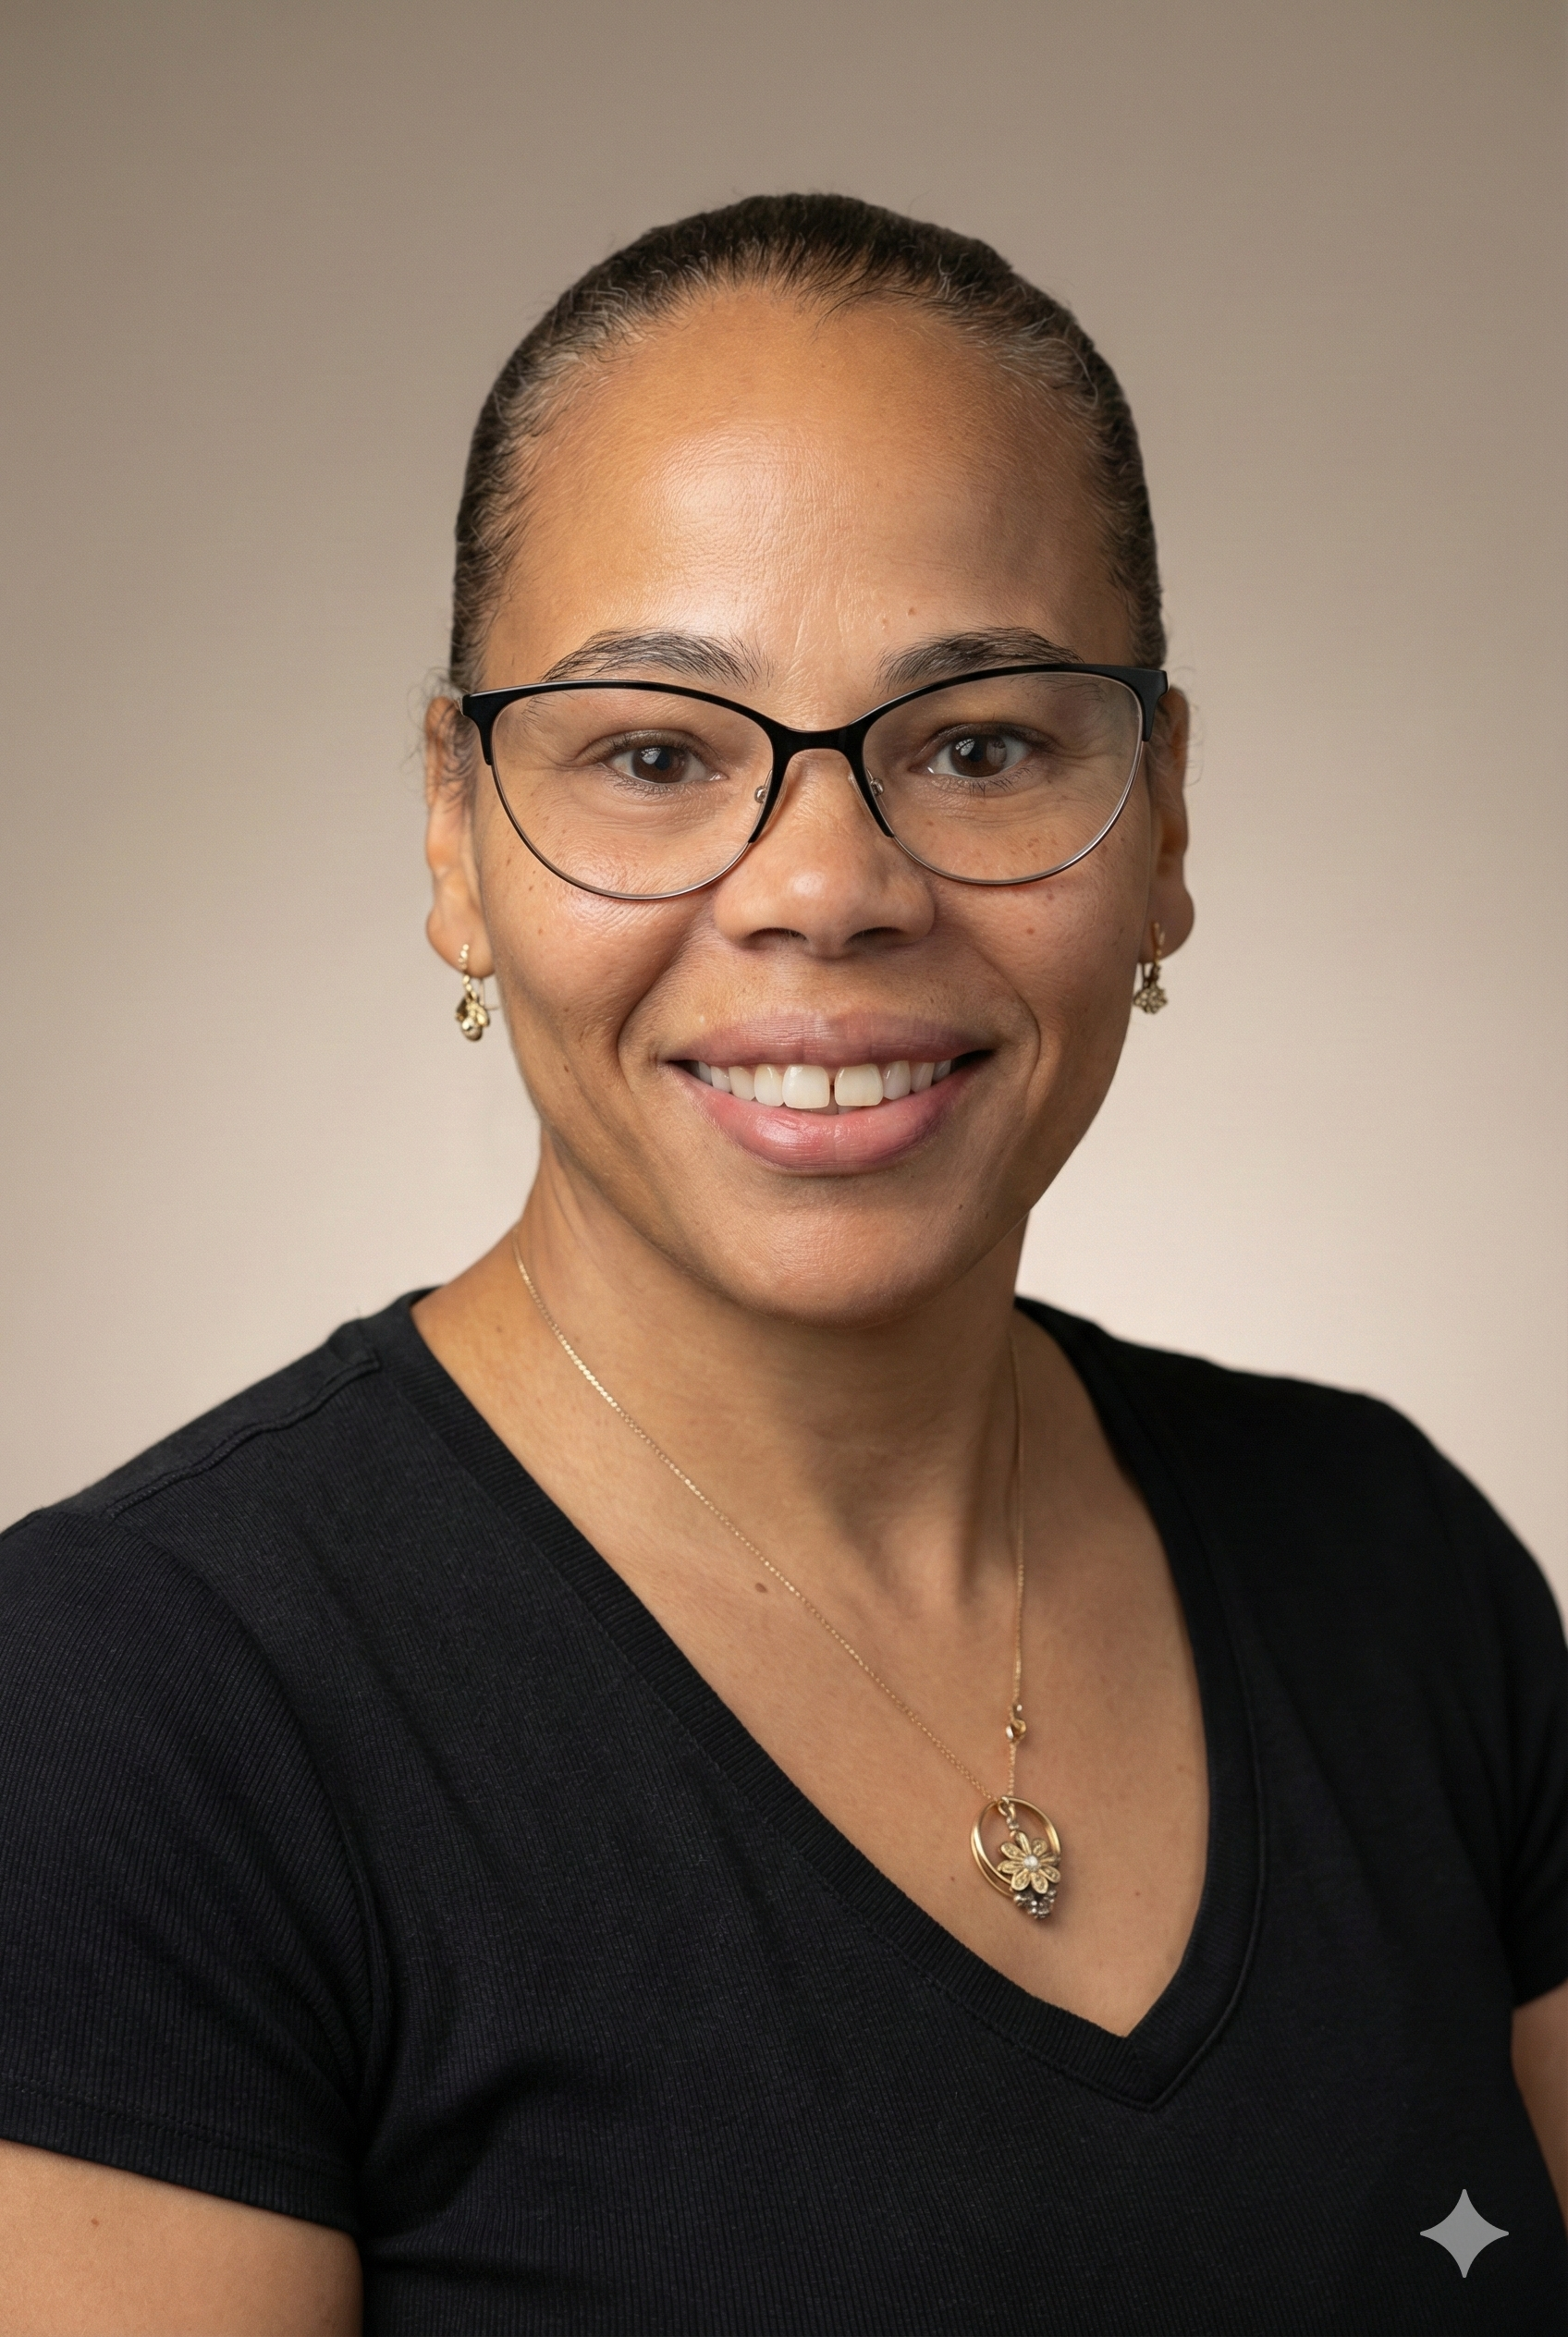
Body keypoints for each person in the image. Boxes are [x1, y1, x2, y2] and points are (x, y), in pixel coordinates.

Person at [0, 195, 1562, 2336]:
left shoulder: (1399, 1567)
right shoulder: (120, 1717)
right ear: (455, 835)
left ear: (1164, 818)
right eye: (653, 752)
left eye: (981, 743)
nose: (823, 888)